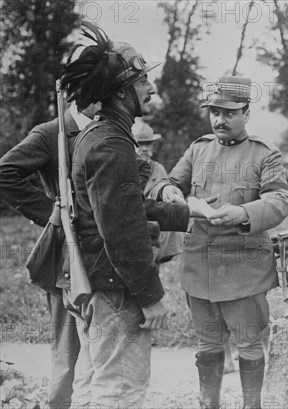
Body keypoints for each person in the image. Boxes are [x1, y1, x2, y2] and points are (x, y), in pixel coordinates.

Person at [57, 23, 211, 407]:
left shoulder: (99, 136)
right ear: (122, 91)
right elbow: (122, 231)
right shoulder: (113, 144)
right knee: (120, 392)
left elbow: (125, 208)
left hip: (93, 282)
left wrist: (188, 214)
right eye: (142, 82)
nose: (150, 89)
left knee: (93, 388)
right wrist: (151, 296)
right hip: (114, 289)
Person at [152, 75, 288, 409]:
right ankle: (209, 403)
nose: (219, 119)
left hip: (244, 270)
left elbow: (280, 200)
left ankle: (251, 405)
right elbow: (166, 183)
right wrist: (170, 192)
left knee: (248, 344)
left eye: (228, 113)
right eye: (214, 111)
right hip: (200, 269)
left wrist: (243, 212)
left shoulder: (263, 155)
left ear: (246, 112)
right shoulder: (198, 149)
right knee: (207, 344)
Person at [0, 100, 100, 409]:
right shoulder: (50, 133)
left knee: (103, 346)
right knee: (67, 348)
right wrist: (52, 214)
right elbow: (5, 173)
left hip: (103, 250)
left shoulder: (105, 128)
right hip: (67, 254)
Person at [132, 119, 183, 264]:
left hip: (153, 231)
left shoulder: (158, 169)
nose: (145, 149)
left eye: (148, 144)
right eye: (139, 144)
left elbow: (164, 199)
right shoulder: (125, 169)